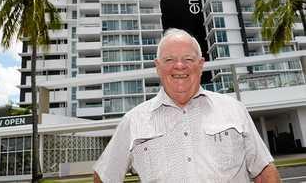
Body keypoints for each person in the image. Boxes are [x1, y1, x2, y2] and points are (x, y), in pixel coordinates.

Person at [93, 28, 281, 182]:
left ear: (201, 65)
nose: (179, 66)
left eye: (188, 59)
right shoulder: (133, 121)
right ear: (157, 67)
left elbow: (264, 171)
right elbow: (104, 176)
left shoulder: (234, 109)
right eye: (169, 60)